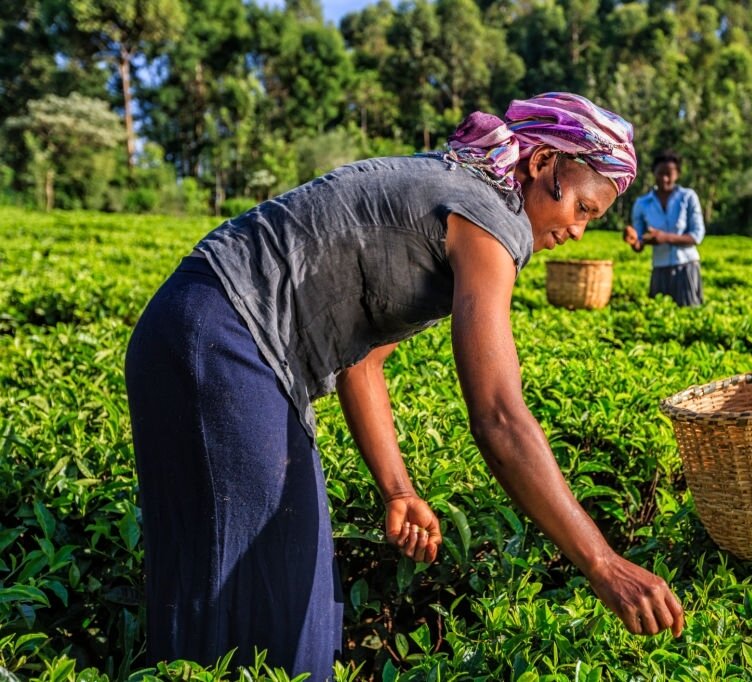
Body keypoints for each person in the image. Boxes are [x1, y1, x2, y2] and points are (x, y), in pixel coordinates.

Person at [124, 92, 684, 681]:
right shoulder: (490, 217)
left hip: (197, 328)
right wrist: (601, 563)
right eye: (584, 209)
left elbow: (361, 363)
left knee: (251, 590)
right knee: (275, 604)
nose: (577, 230)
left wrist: (398, 490)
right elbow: (498, 415)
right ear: (543, 164)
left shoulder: (459, 194)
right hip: (225, 338)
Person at [623, 150, 706, 306]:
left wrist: (665, 237)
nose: (664, 178)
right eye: (660, 173)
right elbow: (639, 243)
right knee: (659, 315)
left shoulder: (688, 197)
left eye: (669, 174)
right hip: (659, 269)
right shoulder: (642, 204)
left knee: (688, 315)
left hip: (686, 267)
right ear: (653, 173)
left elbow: (697, 236)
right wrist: (633, 240)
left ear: (678, 174)